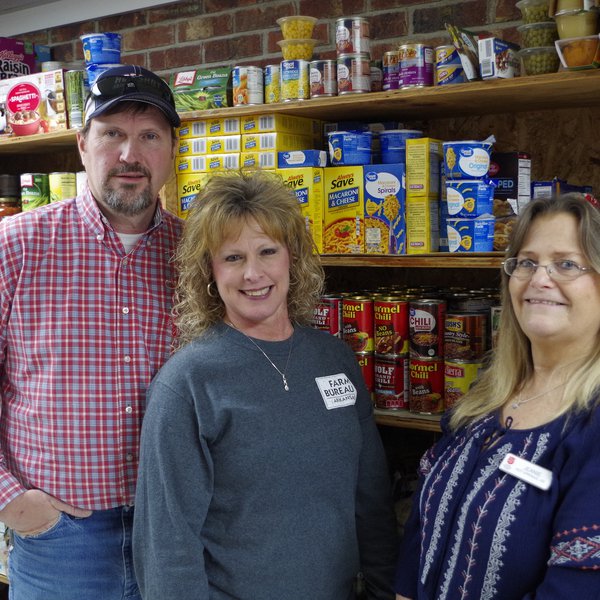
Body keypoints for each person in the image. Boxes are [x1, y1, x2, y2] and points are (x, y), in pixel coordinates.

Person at [132, 170, 398, 599]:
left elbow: (371, 502)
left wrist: (388, 591)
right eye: (233, 258)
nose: (253, 273)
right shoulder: (188, 383)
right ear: (209, 271)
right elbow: (167, 545)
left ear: (293, 257)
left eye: (267, 251)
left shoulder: (334, 359)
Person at [0, 64, 182, 599]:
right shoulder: (15, 245)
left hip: (176, 530)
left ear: (173, 149)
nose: (130, 155)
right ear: (83, 146)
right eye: (112, 134)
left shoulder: (198, 252)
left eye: (149, 135)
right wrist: (11, 498)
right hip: (61, 539)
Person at [394, 192, 600, 600]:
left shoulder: (591, 426)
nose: (540, 279)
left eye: (566, 264)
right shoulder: (486, 395)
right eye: (526, 262)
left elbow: (578, 586)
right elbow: (422, 528)